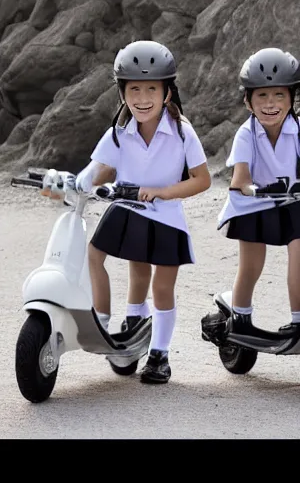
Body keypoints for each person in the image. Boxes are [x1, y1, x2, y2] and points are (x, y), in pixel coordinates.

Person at [75, 40, 211, 383]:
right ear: (122, 93)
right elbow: (96, 168)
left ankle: (160, 354)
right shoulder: (119, 133)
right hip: (128, 210)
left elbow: (203, 180)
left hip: (165, 217)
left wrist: (165, 192)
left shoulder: (182, 132)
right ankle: (106, 321)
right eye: (134, 89)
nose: (142, 97)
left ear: (167, 92)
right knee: (96, 256)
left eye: (152, 88)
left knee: (161, 288)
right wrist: (76, 183)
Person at [216, 47, 300, 335]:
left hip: (289, 199)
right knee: (252, 264)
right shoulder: (245, 134)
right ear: (248, 101)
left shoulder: (299, 127)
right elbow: (240, 176)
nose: (271, 104)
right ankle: (240, 318)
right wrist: (251, 188)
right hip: (253, 204)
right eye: (262, 96)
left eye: (279, 95)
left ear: (293, 98)